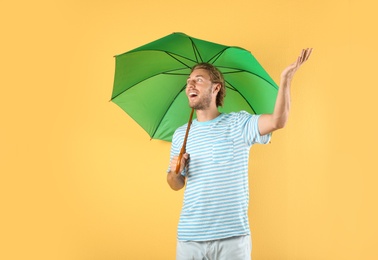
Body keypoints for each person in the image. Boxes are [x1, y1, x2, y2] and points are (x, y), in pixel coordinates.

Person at [167, 49, 312, 260]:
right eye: (189, 81)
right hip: (190, 238)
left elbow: (277, 121)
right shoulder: (181, 135)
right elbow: (175, 184)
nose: (190, 84)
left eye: (198, 80)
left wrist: (286, 79)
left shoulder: (238, 124)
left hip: (232, 238)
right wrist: (175, 171)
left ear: (216, 88)